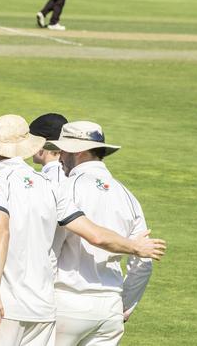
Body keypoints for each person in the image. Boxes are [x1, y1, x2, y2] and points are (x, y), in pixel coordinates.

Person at [0, 115, 166, 346]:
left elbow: (5, 232)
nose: (60, 154)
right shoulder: (56, 187)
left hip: (32, 303)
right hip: (66, 307)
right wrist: (133, 252)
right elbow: (98, 236)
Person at [47, 121, 163, 346]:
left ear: (77, 151)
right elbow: (143, 262)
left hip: (66, 303)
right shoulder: (127, 195)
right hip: (109, 309)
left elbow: (50, 249)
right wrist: (123, 305)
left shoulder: (65, 189)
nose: (59, 157)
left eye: (62, 150)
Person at [29, 113, 68, 184]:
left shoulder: (51, 179)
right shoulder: (62, 172)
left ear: (42, 144)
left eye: (32, 141)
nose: (29, 145)